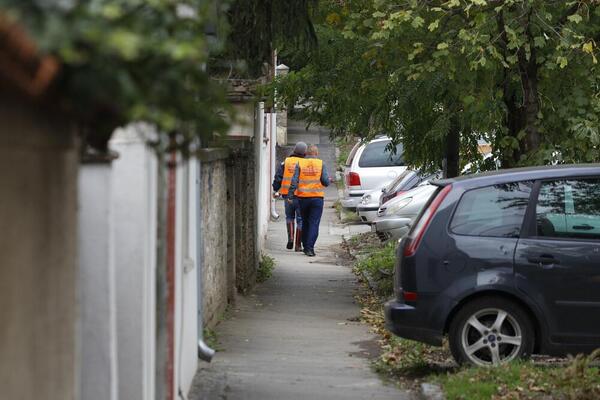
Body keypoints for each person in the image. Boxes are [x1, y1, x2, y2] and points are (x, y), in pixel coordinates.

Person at [287, 144, 330, 257]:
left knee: (305, 222)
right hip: (317, 199)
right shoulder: (321, 163)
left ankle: (306, 246)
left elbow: (294, 180)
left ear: (306, 154)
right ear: (316, 153)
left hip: (303, 198)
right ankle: (310, 248)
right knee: (314, 223)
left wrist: (290, 196)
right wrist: (329, 181)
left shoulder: (300, 163)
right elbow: (325, 181)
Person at [272, 142, 307, 251]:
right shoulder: (306, 163)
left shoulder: (285, 162)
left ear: (294, 150)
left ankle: (290, 238)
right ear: (305, 153)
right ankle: (297, 245)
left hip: (287, 195)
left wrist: (275, 188)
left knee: (289, 217)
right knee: (301, 219)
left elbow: (278, 177)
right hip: (301, 196)